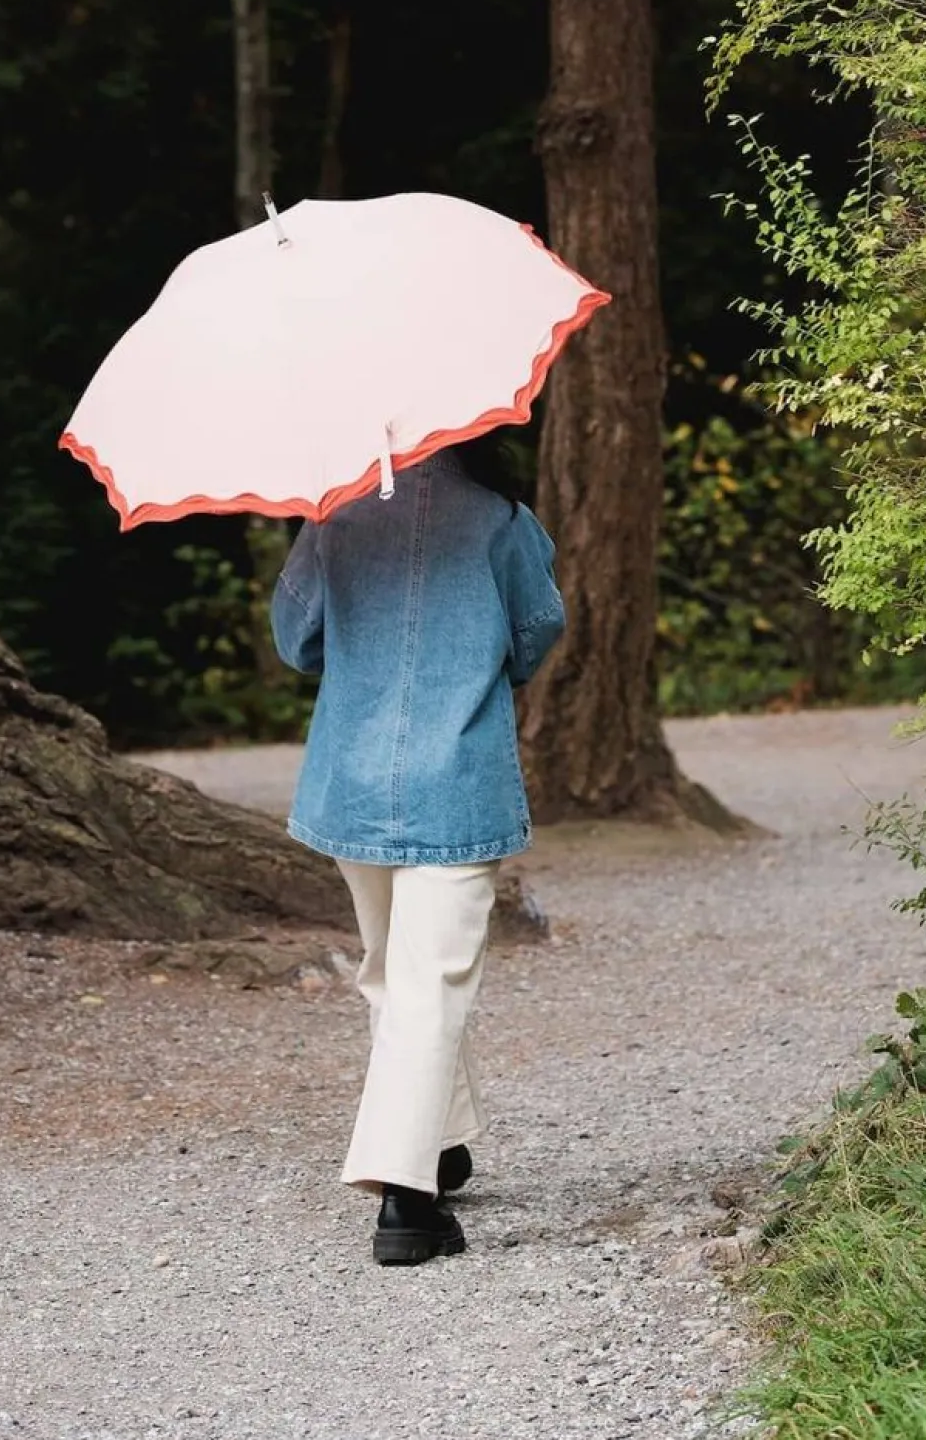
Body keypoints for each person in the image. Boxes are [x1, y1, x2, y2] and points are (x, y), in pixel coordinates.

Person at [270, 430, 566, 1266]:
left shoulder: (333, 516)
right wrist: (470, 660)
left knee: (393, 973)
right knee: (430, 984)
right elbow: (539, 627)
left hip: (352, 781)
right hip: (457, 778)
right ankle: (405, 1201)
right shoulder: (500, 519)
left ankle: (441, 1142)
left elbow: (296, 641)